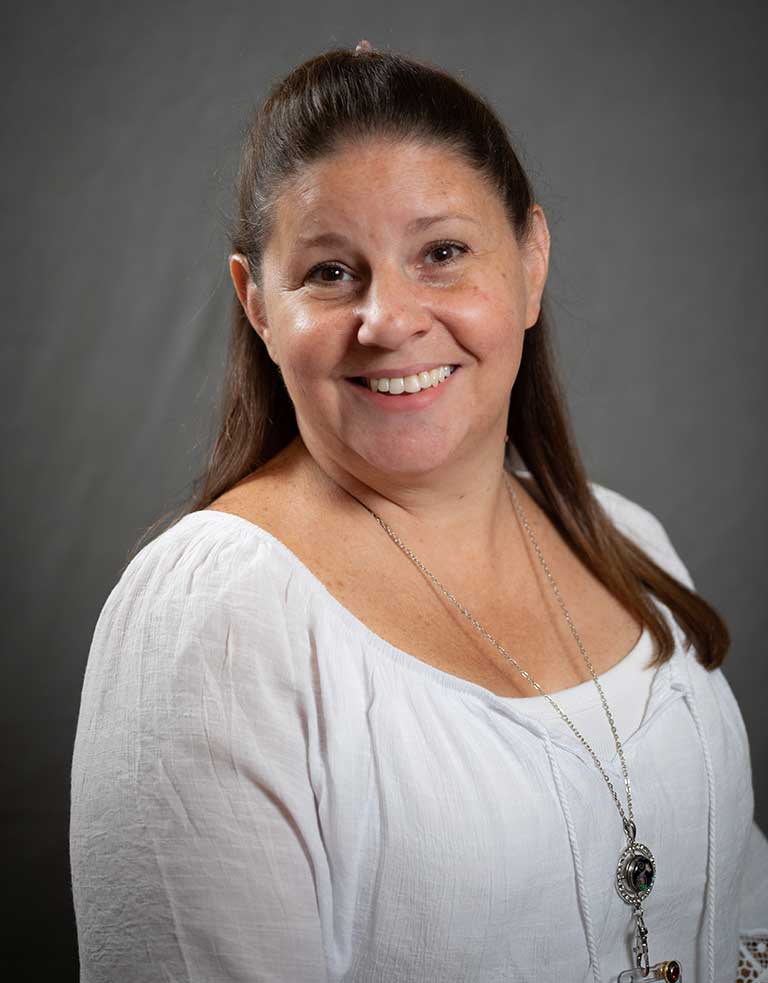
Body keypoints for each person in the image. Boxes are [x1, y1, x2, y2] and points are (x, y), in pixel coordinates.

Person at [69, 42, 768, 983]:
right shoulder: (212, 622)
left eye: (442, 253)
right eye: (328, 272)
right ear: (257, 305)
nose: (387, 319)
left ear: (530, 259)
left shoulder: (627, 540)